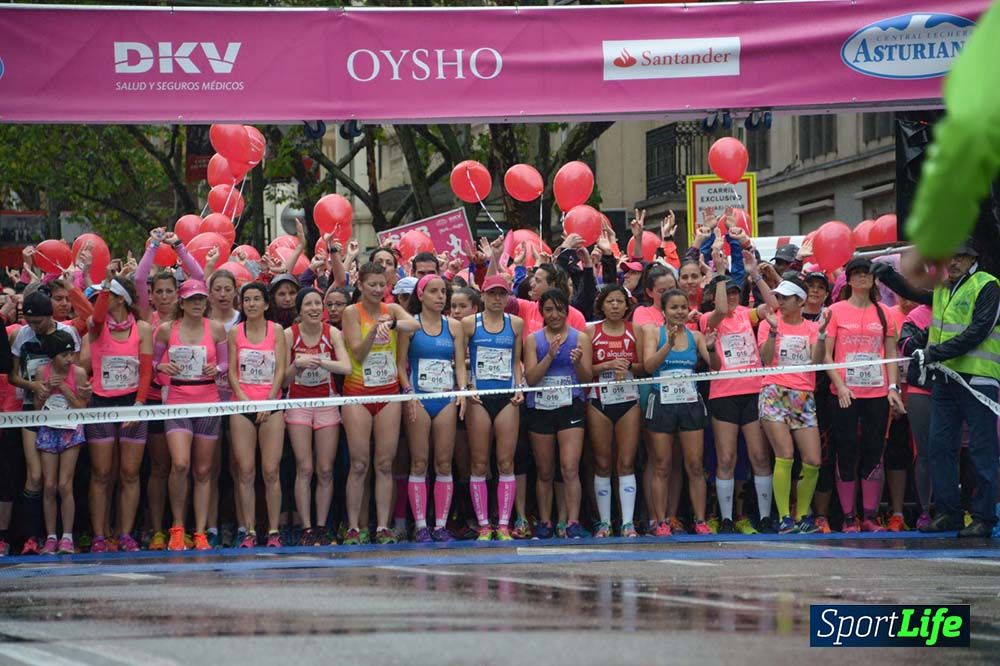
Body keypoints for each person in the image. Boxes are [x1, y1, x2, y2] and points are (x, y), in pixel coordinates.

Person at [875, 241, 1000, 537]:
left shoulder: (988, 285)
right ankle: (948, 513)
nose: (952, 262)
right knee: (939, 448)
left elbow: (979, 330)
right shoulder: (944, 288)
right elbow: (915, 293)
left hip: (977, 379)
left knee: (982, 450)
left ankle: (983, 517)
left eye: (960, 257)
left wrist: (934, 353)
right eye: (949, 257)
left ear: (973, 258)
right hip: (944, 379)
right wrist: (888, 276)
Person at [824, 258, 905, 533]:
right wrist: (840, 385)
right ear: (848, 280)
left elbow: (891, 354)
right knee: (846, 450)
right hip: (845, 393)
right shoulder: (835, 311)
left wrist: (893, 388)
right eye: (857, 273)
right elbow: (826, 355)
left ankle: (869, 515)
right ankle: (849, 517)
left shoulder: (885, 313)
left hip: (877, 392)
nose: (863, 278)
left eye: (867, 274)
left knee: (874, 451)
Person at [702, 249, 779, 534]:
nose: (732, 297)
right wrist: (721, 273)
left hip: (753, 391)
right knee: (726, 458)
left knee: (759, 457)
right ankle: (726, 518)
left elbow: (773, 305)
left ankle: (765, 517)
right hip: (724, 394)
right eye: (728, 292)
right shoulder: (709, 318)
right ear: (715, 296)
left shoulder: (747, 315)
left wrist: (755, 275)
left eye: (736, 292)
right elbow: (721, 309)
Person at [340, 262, 418, 545]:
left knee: (385, 463)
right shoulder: (352, 312)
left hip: (388, 393)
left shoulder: (391, 309)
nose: (376, 289)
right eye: (371, 284)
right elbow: (358, 354)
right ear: (360, 285)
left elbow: (415, 325)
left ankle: (383, 526)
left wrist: (392, 323)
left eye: (381, 284)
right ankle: (353, 526)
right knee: (359, 463)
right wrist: (373, 331)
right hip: (358, 393)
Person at [154, 279, 228, 551]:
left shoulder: (216, 328)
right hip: (178, 400)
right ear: (182, 303)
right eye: (192, 299)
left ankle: (200, 531)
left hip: (208, 400)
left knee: (204, 470)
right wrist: (162, 367)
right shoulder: (166, 329)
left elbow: (226, 362)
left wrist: (216, 369)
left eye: (201, 299)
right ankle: (177, 527)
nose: (197, 304)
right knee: (180, 464)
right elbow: (153, 362)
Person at [9, 290, 82, 555]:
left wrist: (71, 391)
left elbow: (76, 370)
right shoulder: (21, 336)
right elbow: (13, 376)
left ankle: (66, 535)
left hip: (64, 413)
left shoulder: (68, 333)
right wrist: (34, 386)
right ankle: (32, 537)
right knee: (37, 476)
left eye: (38, 322)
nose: (33, 326)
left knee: (63, 482)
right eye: (29, 321)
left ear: (49, 316)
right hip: (33, 408)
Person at [84, 275, 153, 553]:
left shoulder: (142, 328)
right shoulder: (96, 325)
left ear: (121, 299)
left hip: (131, 402)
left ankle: (125, 533)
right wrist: (104, 287)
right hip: (101, 403)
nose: (102, 299)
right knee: (101, 473)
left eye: (109, 295)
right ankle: (99, 535)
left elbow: (146, 371)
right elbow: (98, 317)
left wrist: (139, 404)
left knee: (130, 473)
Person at [397, 274, 468, 542]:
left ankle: (440, 525)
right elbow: (400, 364)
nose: (440, 296)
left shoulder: (454, 327)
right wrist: (408, 393)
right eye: (434, 291)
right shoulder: (410, 325)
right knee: (419, 462)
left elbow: (460, 365)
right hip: (418, 398)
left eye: (443, 292)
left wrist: (462, 391)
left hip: (445, 398)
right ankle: (420, 525)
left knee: (444, 462)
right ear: (421, 295)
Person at [757, 279, 829, 534]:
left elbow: (816, 362)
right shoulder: (768, 322)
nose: (780, 302)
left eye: (786, 298)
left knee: (813, 459)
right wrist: (773, 331)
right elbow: (765, 359)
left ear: (800, 301)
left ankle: (802, 516)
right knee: (785, 453)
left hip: (803, 395)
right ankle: (785, 518)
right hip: (774, 391)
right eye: (778, 297)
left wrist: (822, 335)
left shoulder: (811, 327)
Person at [643, 289, 715, 536]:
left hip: (690, 403)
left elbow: (715, 367)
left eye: (684, 307)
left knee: (694, 465)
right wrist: (669, 345)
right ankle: (660, 521)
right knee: (662, 465)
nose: (680, 312)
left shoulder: (696, 336)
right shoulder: (654, 332)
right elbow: (648, 365)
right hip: (662, 402)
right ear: (664, 311)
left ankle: (700, 520)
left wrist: (711, 349)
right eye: (674, 307)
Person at [284, 288, 352, 546]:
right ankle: (306, 528)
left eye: (317, 304)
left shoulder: (331, 333)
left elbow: (345, 367)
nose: (314, 309)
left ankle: (322, 526)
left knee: (325, 469)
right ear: (299, 310)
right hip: (298, 403)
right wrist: (297, 365)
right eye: (308, 304)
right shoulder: (289, 334)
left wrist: (321, 362)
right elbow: (283, 380)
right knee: (305, 468)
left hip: (326, 403)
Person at [523, 289, 592, 539]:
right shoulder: (533, 340)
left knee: (570, 467)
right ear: (542, 312)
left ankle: (573, 521)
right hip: (540, 407)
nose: (555, 315)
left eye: (560, 309)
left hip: (570, 405)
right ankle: (545, 521)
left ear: (567, 311)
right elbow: (531, 378)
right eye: (549, 310)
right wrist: (550, 356)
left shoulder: (580, 338)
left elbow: (586, 380)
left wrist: (577, 362)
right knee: (544, 470)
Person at [463, 275, 523, 541]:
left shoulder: (516, 323)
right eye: (492, 293)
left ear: (508, 297)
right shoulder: (469, 324)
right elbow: (459, 359)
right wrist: (467, 387)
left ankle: (504, 524)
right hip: (479, 398)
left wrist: (519, 387)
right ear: (483, 295)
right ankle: (484, 524)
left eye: (502, 294)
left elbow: (516, 361)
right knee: (479, 462)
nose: (497, 299)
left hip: (506, 395)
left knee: (505, 461)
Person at [229, 282, 287, 548]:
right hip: (242, 406)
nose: (251, 304)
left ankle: (273, 531)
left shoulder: (276, 330)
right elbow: (232, 373)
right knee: (245, 471)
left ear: (265, 304)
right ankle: (249, 531)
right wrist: (244, 400)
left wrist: (268, 401)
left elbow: (281, 370)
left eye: (256, 299)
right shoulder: (235, 332)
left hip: (271, 405)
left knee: (271, 470)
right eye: (247, 300)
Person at [587, 284, 643, 537]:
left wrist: (629, 366)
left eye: (620, 301)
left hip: (628, 399)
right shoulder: (591, 331)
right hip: (599, 401)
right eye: (610, 301)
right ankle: (605, 522)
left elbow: (645, 367)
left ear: (627, 305)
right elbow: (584, 372)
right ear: (602, 304)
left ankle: (628, 523)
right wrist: (606, 365)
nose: (615, 306)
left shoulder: (635, 330)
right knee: (602, 462)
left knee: (626, 462)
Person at [34, 330, 89, 555]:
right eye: (64, 355)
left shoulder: (78, 373)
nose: (69, 359)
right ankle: (50, 536)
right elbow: (37, 408)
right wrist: (45, 389)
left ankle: (67, 537)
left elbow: (83, 409)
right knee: (49, 485)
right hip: (48, 429)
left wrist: (66, 390)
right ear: (52, 356)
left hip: (71, 430)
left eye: (71, 354)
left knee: (65, 484)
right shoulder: (42, 372)